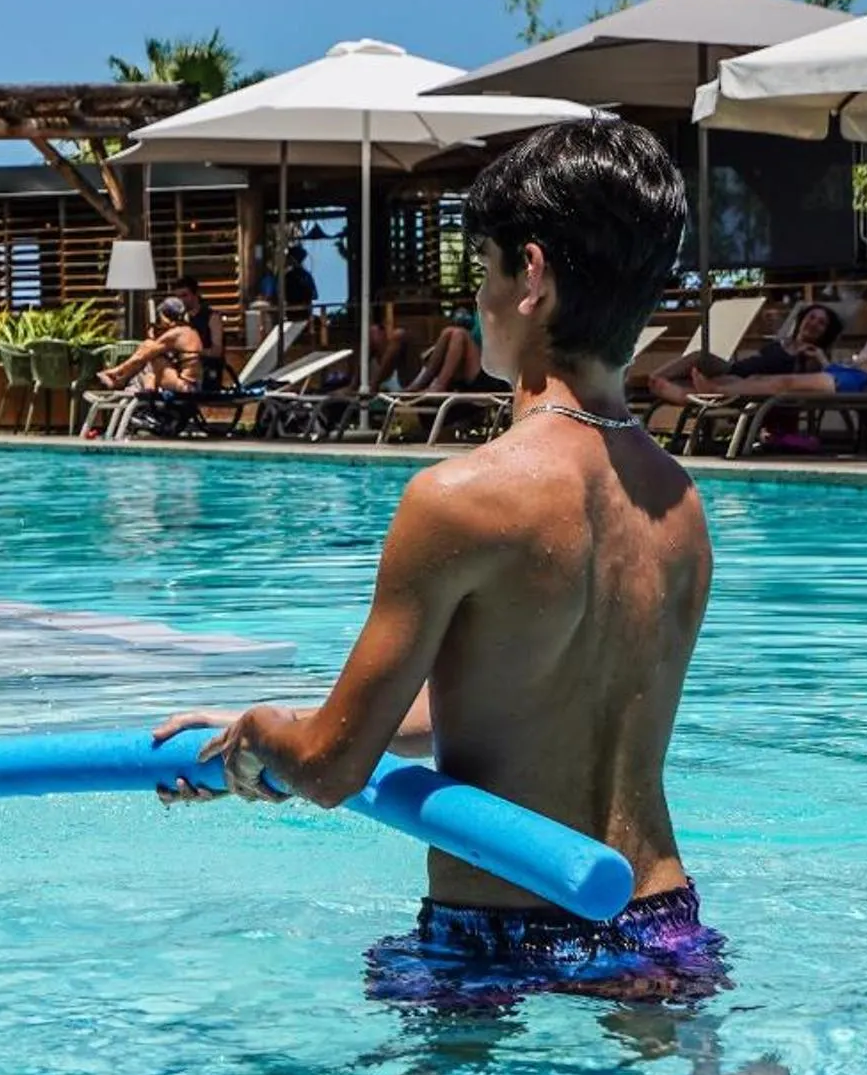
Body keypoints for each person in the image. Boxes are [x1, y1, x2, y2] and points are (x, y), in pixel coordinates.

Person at [155, 119, 724, 1010]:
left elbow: (332, 771)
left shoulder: (461, 496)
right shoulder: (679, 505)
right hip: (659, 924)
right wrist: (275, 725)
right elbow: (521, 705)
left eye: (482, 270)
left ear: (529, 276)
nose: (476, 302)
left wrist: (270, 736)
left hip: (495, 935)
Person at [677, 277, 867, 401]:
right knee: (758, 379)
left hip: (863, 384)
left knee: (784, 382)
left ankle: (717, 391)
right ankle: (712, 391)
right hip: (848, 375)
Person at [645, 301, 841, 410]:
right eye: (812, 317)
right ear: (802, 319)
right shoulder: (782, 341)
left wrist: (820, 358)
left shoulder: (811, 354)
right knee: (700, 356)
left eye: (821, 323)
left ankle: (678, 393)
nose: (814, 323)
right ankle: (657, 379)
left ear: (826, 332)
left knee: (707, 383)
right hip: (736, 368)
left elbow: (822, 380)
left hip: (745, 382)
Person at [96, 297, 205, 394]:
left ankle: (120, 380)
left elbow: (141, 357)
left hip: (185, 386)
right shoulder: (188, 331)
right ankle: (122, 380)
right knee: (150, 354)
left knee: (149, 353)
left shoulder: (176, 334)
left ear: (164, 316)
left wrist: (115, 370)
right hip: (192, 384)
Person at [172, 271, 223, 379]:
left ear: (196, 294)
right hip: (182, 365)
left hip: (206, 366)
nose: (181, 300)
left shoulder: (212, 317)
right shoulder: (178, 318)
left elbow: (217, 351)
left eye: (185, 295)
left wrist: (191, 352)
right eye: (178, 297)